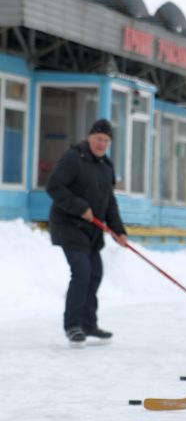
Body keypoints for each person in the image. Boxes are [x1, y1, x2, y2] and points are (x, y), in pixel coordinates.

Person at [46, 119, 127, 345]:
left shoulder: (106, 166)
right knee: (82, 271)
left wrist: (118, 230)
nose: (102, 144)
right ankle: (72, 326)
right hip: (68, 225)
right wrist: (80, 208)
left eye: (106, 140)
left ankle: (88, 324)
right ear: (89, 137)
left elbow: (109, 202)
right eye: (99, 138)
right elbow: (54, 187)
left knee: (95, 273)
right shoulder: (74, 158)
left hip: (91, 230)